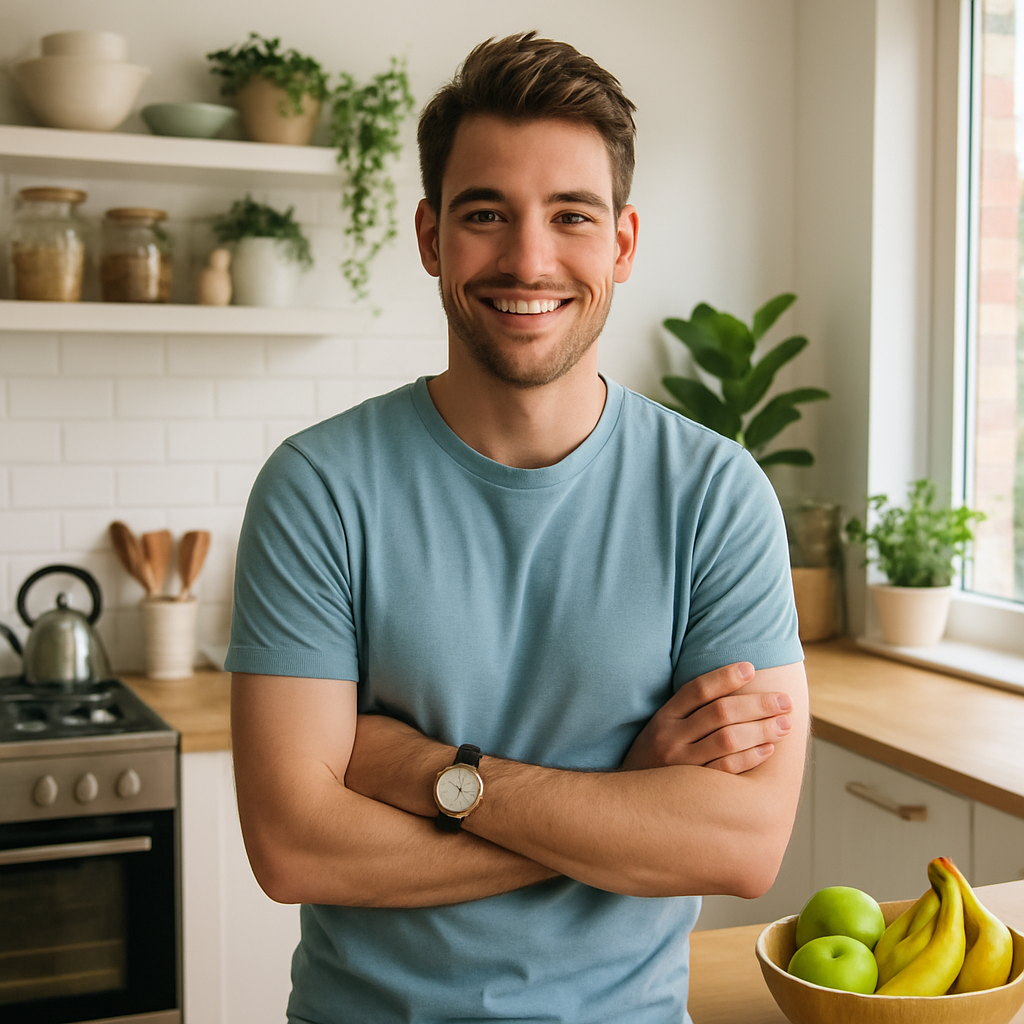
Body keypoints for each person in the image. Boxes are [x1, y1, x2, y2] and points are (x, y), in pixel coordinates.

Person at [227, 31, 809, 1024]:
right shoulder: (318, 486)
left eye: (570, 215)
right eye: (485, 214)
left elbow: (739, 846)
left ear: (622, 241)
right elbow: (294, 848)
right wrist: (620, 806)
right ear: (429, 237)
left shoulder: (715, 494)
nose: (528, 258)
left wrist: (429, 773)